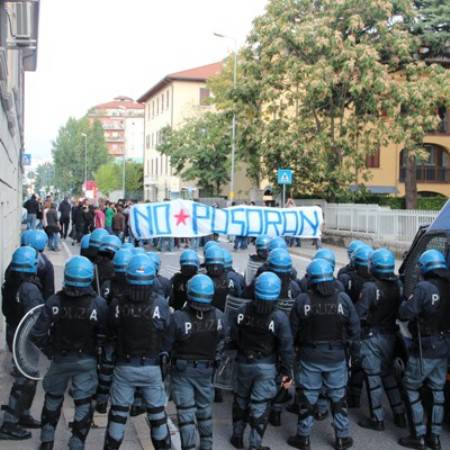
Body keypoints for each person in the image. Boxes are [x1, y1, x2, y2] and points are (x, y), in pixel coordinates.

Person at [30, 255, 107, 450]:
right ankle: (77, 443)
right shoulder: (98, 304)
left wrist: (50, 352)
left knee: (52, 399)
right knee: (82, 403)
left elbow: (37, 333)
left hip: (60, 359)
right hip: (86, 361)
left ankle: (47, 442)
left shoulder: (54, 301)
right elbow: (105, 334)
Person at [288, 259, 360, 450]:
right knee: (338, 398)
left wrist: (294, 351)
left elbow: (292, 331)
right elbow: (354, 327)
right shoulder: (343, 299)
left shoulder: (303, 300)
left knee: (307, 398)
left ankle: (303, 437)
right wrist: (353, 349)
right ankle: (342, 438)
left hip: (309, 356)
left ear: (310, 279)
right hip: (336, 356)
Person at [104, 254, 172, 450]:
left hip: (124, 368)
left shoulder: (117, 303)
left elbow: (111, 330)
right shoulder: (160, 304)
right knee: (158, 419)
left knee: (117, 417)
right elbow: (167, 332)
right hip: (151, 369)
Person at [229, 271, 294, 450]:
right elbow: (286, 348)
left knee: (240, 399)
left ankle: (237, 436)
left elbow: (232, 336)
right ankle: (254, 445)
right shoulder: (279, 317)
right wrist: (287, 372)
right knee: (260, 405)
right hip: (266, 365)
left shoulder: (241, 311)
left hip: (243, 362)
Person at [397, 249, 450, 450]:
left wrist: (408, 300)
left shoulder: (424, 288)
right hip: (444, 347)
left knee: (411, 386)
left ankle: (417, 435)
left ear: (426, 267)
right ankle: (434, 438)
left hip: (425, 348)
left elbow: (405, 314)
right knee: (437, 390)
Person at [168, 274, 226, 450]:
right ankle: (207, 446)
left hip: (182, 371)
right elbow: (222, 343)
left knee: (186, 414)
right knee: (205, 412)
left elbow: (168, 344)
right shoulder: (219, 317)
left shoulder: (178, 317)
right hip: (206, 371)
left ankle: (190, 447)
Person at [355, 248, 406, 431]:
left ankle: (377, 419)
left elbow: (359, 313)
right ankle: (399, 414)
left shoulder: (370, 287)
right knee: (388, 375)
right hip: (390, 335)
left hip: (372, 337)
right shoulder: (398, 285)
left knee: (373, 377)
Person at [0, 246, 43, 440]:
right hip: (24, 338)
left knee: (29, 377)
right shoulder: (29, 288)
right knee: (24, 379)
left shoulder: (11, 280)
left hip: (14, 331)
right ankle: (9, 422)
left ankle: (23, 414)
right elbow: (35, 318)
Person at [340, 244, 373, 408]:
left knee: (344, 360)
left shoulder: (346, 278)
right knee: (359, 361)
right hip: (369, 328)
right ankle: (355, 395)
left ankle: (343, 393)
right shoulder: (376, 282)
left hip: (348, 325)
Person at [22, 229, 55, 300]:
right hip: (37, 302)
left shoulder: (20, 256)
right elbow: (49, 290)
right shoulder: (46, 263)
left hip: (18, 299)